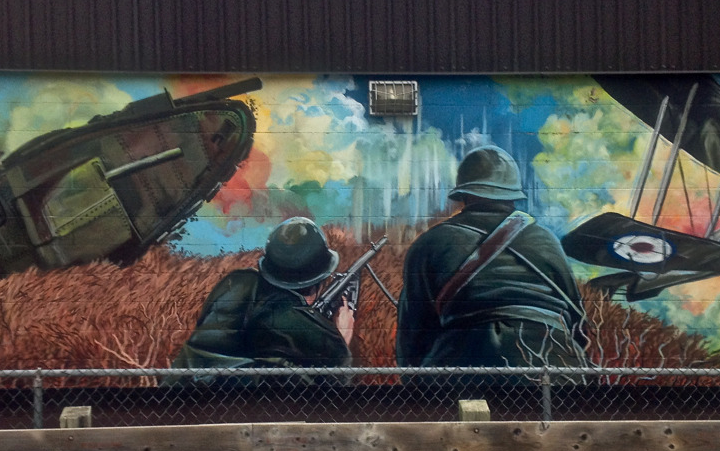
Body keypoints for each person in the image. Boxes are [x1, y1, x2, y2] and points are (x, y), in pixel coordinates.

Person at [396, 145, 587, 373]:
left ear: (464, 194)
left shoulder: (430, 243)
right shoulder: (546, 240)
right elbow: (576, 317)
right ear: (513, 195)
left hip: (464, 363)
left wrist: (420, 381)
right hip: (552, 361)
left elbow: (414, 335)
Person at [170, 216, 353, 375]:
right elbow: (333, 377)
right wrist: (341, 338)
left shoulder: (236, 284)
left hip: (180, 389)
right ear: (317, 282)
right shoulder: (316, 337)